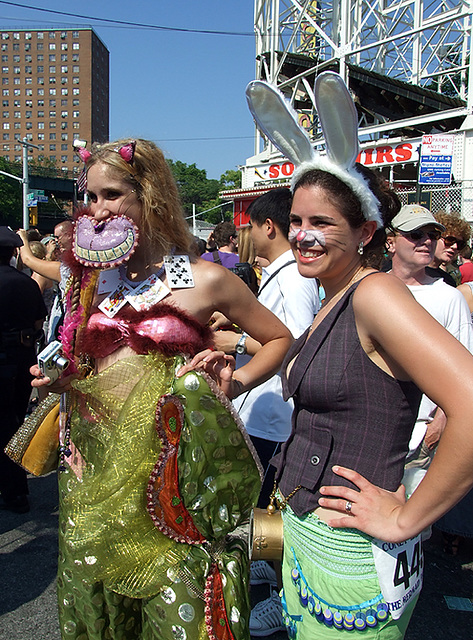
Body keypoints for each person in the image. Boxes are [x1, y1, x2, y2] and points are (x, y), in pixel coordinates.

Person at [28, 138, 292, 640]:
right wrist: (60, 383)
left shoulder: (206, 279)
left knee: (178, 606)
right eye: (90, 197)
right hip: (94, 471)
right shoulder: (88, 281)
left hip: (172, 479)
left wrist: (234, 384)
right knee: (101, 607)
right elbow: (84, 367)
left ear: (149, 194)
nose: (97, 210)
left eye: (111, 195)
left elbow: (280, 338)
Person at [244, 72, 473, 639]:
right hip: (306, 542)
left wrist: (407, 517)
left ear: (366, 229)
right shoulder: (332, 296)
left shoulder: (373, 293)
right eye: (296, 221)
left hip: (353, 552)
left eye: (322, 222)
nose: (303, 236)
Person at [385, 204, 473, 497]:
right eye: (415, 233)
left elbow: (465, 373)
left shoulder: (449, 298)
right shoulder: (371, 288)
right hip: (371, 431)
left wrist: (439, 423)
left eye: (433, 234)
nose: (426, 240)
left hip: (419, 437)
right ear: (391, 241)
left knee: (407, 534)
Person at [0, 227, 46, 513]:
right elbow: (39, 323)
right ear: (14, 252)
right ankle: (16, 486)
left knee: (4, 424)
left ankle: (14, 490)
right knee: (15, 419)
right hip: (23, 358)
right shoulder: (26, 283)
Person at [426, 210, 471, 286]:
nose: (455, 247)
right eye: (449, 240)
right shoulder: (411, 274)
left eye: (460, 244)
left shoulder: (449, 281)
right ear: (434, 237)